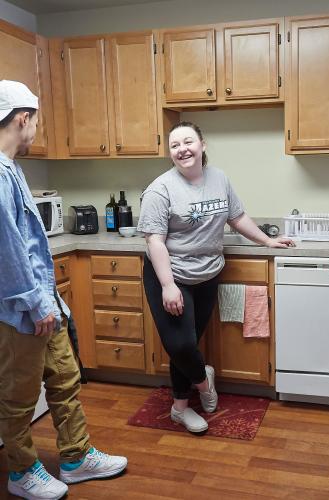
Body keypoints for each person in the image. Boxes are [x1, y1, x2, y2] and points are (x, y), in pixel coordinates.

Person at [0, 80, 127, 500]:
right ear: (23, 118)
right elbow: (8, 249)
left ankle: (75, 457)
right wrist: (37, 303)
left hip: (41, 302)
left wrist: (49, 300)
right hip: (19, 309)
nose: (36, 129)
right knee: (18, 398)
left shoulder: (12, 167)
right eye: (35, 120)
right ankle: (21, 472)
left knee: (65, 378)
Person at [138, 121, 294, 433]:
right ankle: (204, 383)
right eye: (174, 145)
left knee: (189, 343)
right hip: (172, 276)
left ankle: (180, 408)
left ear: (202, 144)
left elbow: (236, 217)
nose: (182, 149)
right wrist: (168, 286)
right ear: (170, 153)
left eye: (188, 142)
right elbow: (154, 240)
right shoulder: (161, 189)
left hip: (208, 275)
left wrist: (266, 241)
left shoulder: (219, 178)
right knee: (180, 345)